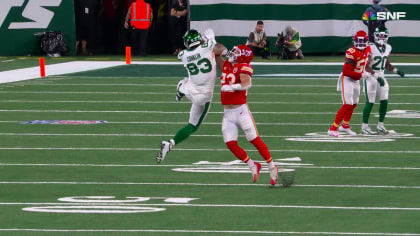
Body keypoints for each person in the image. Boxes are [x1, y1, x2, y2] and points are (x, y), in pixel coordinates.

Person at [156, 29, 227, 164]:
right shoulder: (207, 47)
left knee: (186, 82)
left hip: (192, 91)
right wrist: (212, 39)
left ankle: (170, 144)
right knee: (193, 127)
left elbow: (200, 51)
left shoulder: (182, 55)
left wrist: (208, 43)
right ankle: (181, 89)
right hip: (205, 96)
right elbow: (221, 49)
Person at [218, 44, 279, 185]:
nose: (233, 52)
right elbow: (216, 53)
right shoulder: (228, 63)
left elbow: (247, 83)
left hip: (241, 111)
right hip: (227, 113)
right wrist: (210, 42)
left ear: (243, 56)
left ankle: (272, 166)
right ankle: (252, 165)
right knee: (230, 143)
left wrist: (232, 87)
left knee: (254, 139)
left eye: (236, 51)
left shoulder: (244, 66)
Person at [328, 30, 374, 138]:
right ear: (354, 41)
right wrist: (362, 75)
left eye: (363, 41)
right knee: (348, 104)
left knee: (354, 104)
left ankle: (345, 125)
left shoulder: (368, 49)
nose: (361, 44)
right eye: (359, 41)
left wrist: (368, 72)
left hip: (356, 79)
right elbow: (346, 71)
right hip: (348, 79)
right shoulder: (351, 52)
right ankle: (333, 128)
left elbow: (365, 62)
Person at [361, 26, 405, 135]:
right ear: (375, 36)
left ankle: (380, 126)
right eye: (379, 35)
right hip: (370, 75)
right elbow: (365, 65)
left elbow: (386, 64)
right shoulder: (370, 47)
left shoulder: (388, 47)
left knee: (384, 100)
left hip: (381, 75)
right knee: (370, 101)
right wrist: (376, 76)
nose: (381, 37)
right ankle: (364, 127)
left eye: (383, 35)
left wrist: (396, 70)